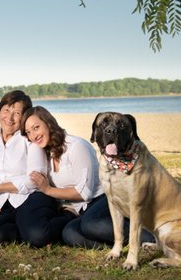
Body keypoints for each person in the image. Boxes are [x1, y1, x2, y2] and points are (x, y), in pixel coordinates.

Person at [20, 105, 155, 248]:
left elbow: (84, 192)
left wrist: (47, 190)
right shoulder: (45, 153)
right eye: (28, 132)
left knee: (91, 224)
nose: (33, 136)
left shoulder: (77, 146)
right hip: (83, 209)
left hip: (104, 197)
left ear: (48, 123)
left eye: (36, 127)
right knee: (70, 234)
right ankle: (119, 244)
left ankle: (150, 237)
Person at [0, 90, 74, 248]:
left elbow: (34, 179)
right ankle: (24, 230)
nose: (9, 118)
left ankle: (67, 215)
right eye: (6, 110)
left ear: (24, 117)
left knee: (38, 236)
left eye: (17, 113)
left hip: (31, 197)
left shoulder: (30, 138)